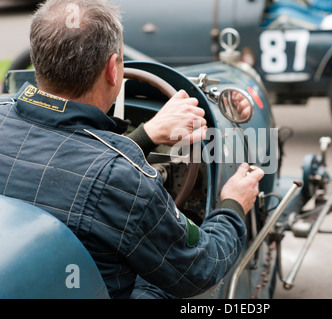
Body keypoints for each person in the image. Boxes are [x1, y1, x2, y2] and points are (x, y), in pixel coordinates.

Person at [0, 0, 264, 298]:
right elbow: (201, 267)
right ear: (113, 70)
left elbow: (70, 168)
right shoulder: (124, 178)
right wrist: (232, 205)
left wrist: (146, 135)